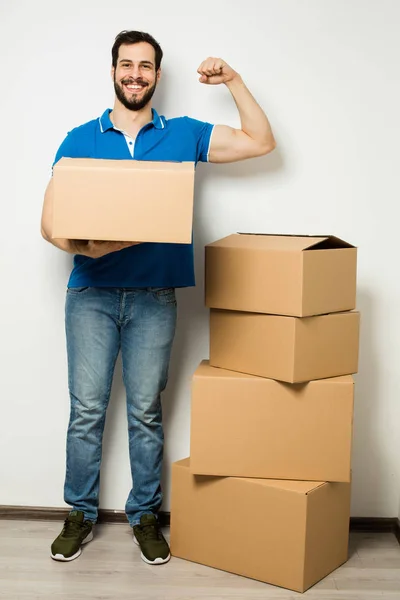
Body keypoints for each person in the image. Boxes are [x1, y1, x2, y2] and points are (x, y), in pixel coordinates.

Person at [41, 30, 276, 566]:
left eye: (145, 66)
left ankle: (144, 516)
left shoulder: (184, 134)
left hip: (155, 298)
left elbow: (261, 142)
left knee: (146, 412)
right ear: (114, 72)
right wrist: (86, 245)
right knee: (87, 412)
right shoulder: (79, 137)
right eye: (127, 65)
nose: (135, 74)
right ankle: (79, 512)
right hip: (92, 296)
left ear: (157, 76)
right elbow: (49, 223)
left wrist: (234, 81)